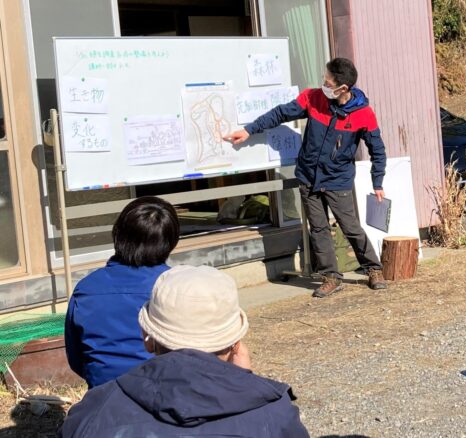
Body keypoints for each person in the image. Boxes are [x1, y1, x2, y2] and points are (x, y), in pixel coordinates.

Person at [60, 265, 309, 437]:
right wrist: (245, 383)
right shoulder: (274, 413)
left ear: (147, 338)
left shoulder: (93, 411)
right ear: (235, 342)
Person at [224, 57, 387, 296]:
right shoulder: (312, 98)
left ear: (342, 88)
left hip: (338, 179)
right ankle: (331, 277)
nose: (323, 83)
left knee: (350, 226)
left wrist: (378, 181)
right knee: (318, 228)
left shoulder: (364, 114)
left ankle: (373, 268)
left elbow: (378, 149)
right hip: (309, 176)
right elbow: (281, 113)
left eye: (328, 81)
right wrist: (249, 129)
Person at [64, 196, 178, 388]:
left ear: (117, 233)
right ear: (172, 241)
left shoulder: (86, 289)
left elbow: (77, 359)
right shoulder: (177, 287)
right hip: (167, 400)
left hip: (103, 402)